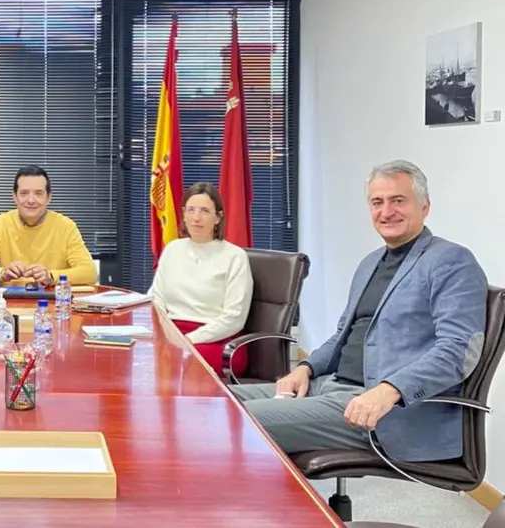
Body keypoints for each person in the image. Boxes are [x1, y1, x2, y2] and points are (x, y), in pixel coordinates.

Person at [231, 160, 487, 462]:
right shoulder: (371, 262)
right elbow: (343, 335)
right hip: (327, 386)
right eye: (377, 202)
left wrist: (390, 390)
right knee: (206, 405)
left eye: (398, 201)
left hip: (381, 407)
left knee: (232, 424)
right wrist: (306, 368)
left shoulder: (451, 261)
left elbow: (459, 351)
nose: (386, 211)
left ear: (425, 206)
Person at [149, 182, 254, 377]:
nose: (196, 218)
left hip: (216, 338)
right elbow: (156, 298)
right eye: (191, 210)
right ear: (183, 214)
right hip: (171, 331)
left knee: (179, 360)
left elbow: (234, 318)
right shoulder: (173, 249)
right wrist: (168, 333)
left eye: (205, 211)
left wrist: (188, 339)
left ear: (218, 218)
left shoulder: (234, 256)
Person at [0, 165, 96, 287]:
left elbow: (89, 273)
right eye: (24, 193)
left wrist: (51, 276)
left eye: (38, 193)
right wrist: (2, 273)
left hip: (52, 303)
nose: (31, 200)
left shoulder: (66, 226)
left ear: (49, 198)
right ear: (14, 197)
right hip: (9, 303)